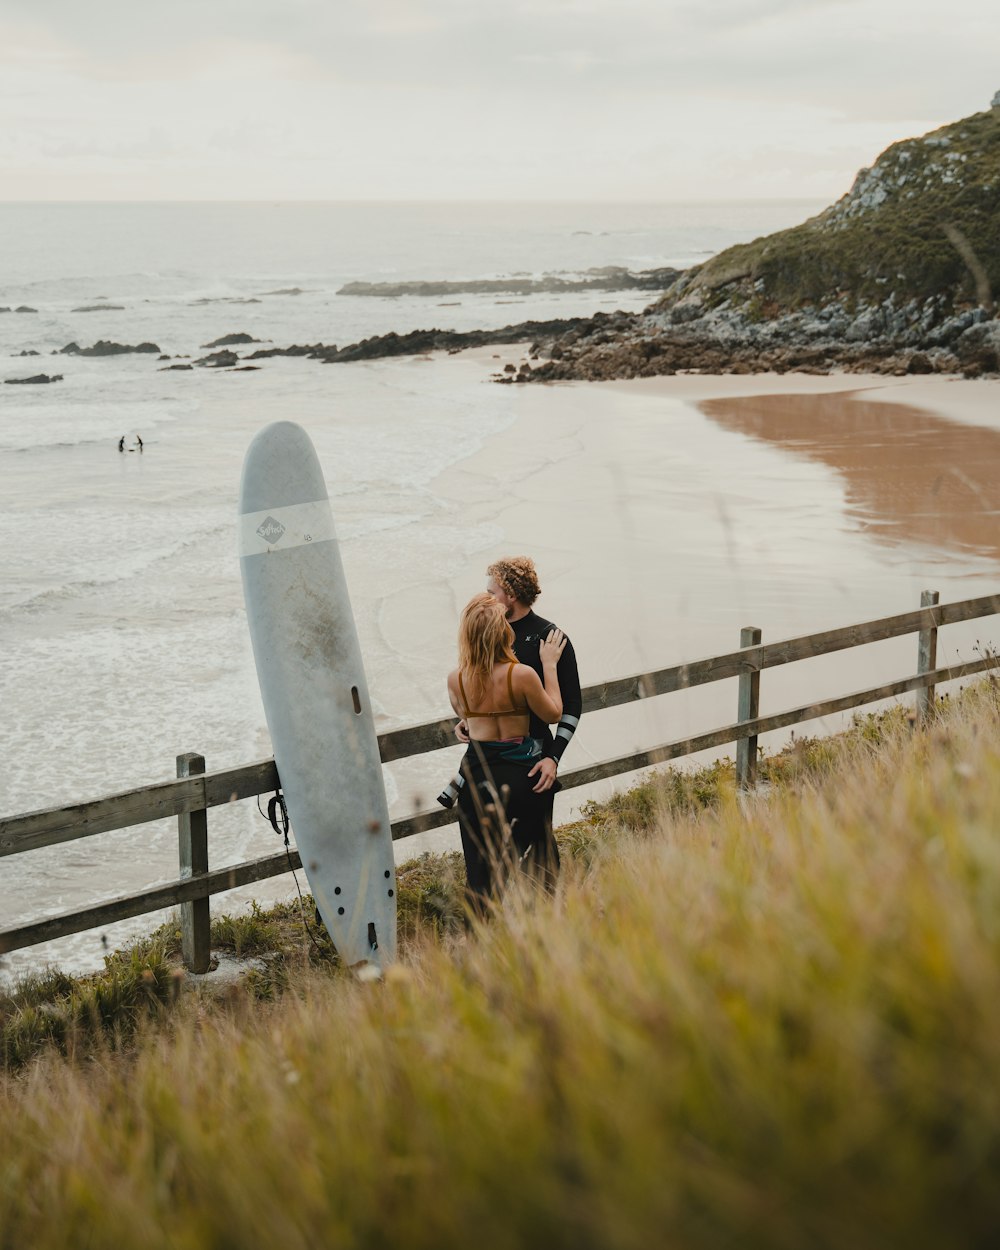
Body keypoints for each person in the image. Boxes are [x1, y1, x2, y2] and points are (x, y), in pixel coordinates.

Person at [438, 556, 582, 888]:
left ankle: (535, 924)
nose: (486, 596)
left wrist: (553, 757)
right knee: (489, 868)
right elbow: (477, 692)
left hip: (533, 768)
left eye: (491, 590)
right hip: (493, 762)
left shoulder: (550, 638)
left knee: (535, 860)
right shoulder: (486, 635)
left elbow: (570, 706)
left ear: (510, 594)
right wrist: (469, 722)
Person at [447, 593, 566, 915]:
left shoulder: (456, 678)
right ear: (503, 634)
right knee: (539, 860)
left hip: (476, 777)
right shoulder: (523, 674)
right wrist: (550, 666)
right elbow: (554, 713)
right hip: (522, 777)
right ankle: (547, 923)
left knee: (480, 872)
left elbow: (468, 718)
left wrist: (467, 723)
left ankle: (485, 940)